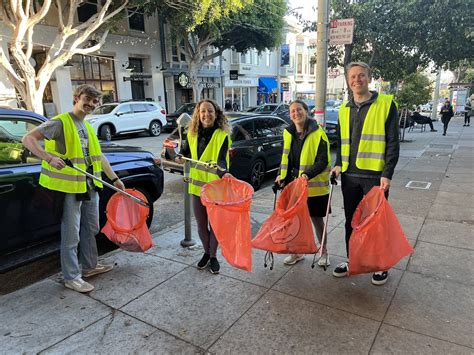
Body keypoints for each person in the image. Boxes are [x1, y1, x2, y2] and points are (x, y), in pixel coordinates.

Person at [22, 84, 125, 293]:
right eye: (87, 98)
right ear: (77, 98)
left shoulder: (87, 126)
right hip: (69, 188)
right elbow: (28, 139)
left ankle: (90, 266)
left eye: (95, 101)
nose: (91, 104)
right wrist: (49, 158)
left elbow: (99, 156)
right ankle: (71, 276)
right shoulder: (61, 122)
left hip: (89, 185)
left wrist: (115, 179)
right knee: (71, 234)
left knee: (91, 228)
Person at [331, 62, 400, 286]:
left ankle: (380, 265)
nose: (356, 80)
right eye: (352, 77)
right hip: (350, 175)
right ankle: (353, 260)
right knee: (351, 221)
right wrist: (337, 165)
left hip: (375, 176)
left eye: (361, 76)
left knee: (376, 224)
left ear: (369, 78)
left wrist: (387, 173)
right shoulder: (344, 109)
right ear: (348, 80)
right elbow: (341, 142)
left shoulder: (386, 104)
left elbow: (392, 142)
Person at [275, 100, 331, 267]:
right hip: (293, 185)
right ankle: (296, 252)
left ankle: (324, 252)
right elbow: (285, 158)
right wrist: (280, 176)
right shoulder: (288, 133)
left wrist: (307, 175)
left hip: (313, 187)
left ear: (306, 111)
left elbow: (323, 161)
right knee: (293, 221)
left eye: (299, 109)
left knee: (316, 220)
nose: (295, 113)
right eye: (292, 111)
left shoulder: (318, 133)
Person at [178, 99, 231, 274]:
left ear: (216, 115)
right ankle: (206, 253)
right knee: (201, 225)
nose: (206, 114)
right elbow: (185, 152)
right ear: (198, 114)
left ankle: (214, 256)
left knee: (214, 225)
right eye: (203, 111)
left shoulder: (222, 135)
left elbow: (222, 159)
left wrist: (224, 172)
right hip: (196, 187)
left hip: (215, 188)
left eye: (210, 111)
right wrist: (179, 155)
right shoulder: (191, 134)